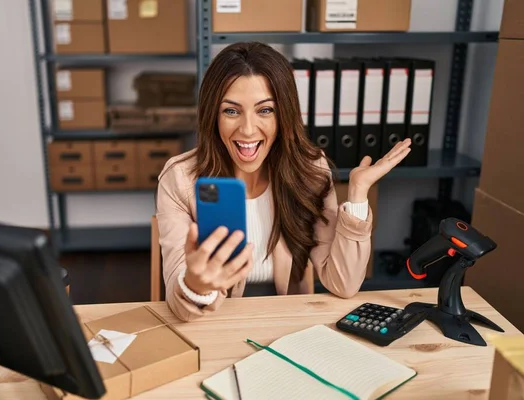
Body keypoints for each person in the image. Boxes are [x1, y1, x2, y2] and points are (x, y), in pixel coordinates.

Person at [155, 42, 411, 322]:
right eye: (231, 111)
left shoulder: (309, 171)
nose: (248, 129)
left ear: (284, 114)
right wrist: (197, 285)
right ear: (212, 116)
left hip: (286, 322)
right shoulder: (180, 179)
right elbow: (180, 308)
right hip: (213, 322)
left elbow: (344, 284)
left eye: (265, 110)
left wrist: (359, 194)